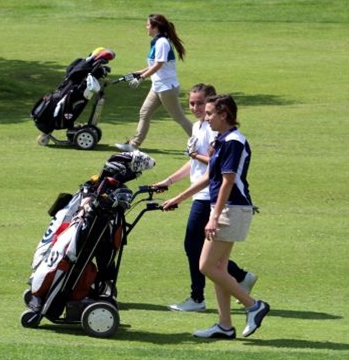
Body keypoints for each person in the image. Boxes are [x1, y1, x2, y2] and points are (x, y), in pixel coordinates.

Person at [162, 94, 269, 339]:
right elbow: (210, 177)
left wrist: (214, 216)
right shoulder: (221, 140)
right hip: (227, 208)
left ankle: (254, 305)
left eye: (210, 113)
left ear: (224, 115)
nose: (205, 118)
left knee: (206, 266)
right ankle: (225, 326)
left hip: (232, 209)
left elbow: (227, 183)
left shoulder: (233, 141)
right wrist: (178, 198)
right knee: (220, 267)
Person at [115, 14, 192, 152]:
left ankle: (201, 144)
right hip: (158, 86)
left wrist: (142, 77)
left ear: (155, 27)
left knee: (179, 117)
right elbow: (154, 65)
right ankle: (133, 145)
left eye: (148, 25)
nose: (146, 27)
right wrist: (137, 73)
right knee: (144, 113)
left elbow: (159, 65)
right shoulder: (158, 42)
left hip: (166, 87)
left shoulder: (162, 42)